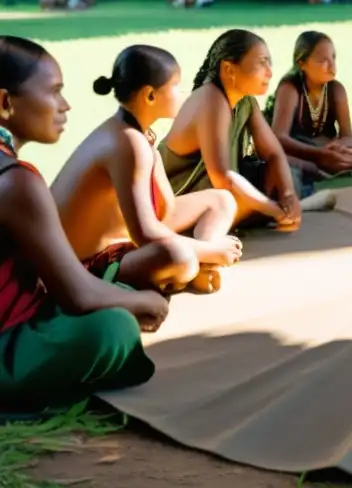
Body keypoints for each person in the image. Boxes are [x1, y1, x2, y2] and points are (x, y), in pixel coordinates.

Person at [0, 36, 167, 412]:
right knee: (114, 327)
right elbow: (79, 296)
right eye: (55, 92)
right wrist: (146, 302)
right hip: (7, 343)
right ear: (5, 103)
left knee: (112, 288)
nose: (65, 105)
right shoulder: (15, 182)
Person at [51, 45, 241, 296]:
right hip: (86, 265)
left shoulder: (136, 134)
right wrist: (210, 249)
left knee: (221, 200)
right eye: (176, 86)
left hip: (123, 239)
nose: (183, 94)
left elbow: (165, 208)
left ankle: (200, 267)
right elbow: (146, 234)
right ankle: (196, 265)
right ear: (150, 96)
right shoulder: (126, 142)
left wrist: (153, 152)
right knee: (180, 257)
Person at [158, 29, 302, 231]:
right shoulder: (211, 100)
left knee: (287, 179)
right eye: (262, 62)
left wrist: (288, 194)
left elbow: (273, 153)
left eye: (269, 62)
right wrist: (274, 210)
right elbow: (222, 177)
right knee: (232, 199)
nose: (269, 72)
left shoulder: (246, 102)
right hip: (177, 201)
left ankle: (252, 215)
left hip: (217, 194)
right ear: (229, 69)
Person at [269, 31, 352, 177]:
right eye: (322, 60)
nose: (331, 65)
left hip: (326, 148)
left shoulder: (336, 89)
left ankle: (335, 165)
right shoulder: (290, 89)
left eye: (333, 57)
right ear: (302, 63)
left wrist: (339, 147)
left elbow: (348, 135)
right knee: (284, 159)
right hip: (301, 150)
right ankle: (327, 167)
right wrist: (319, 154)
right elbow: (279, 137)